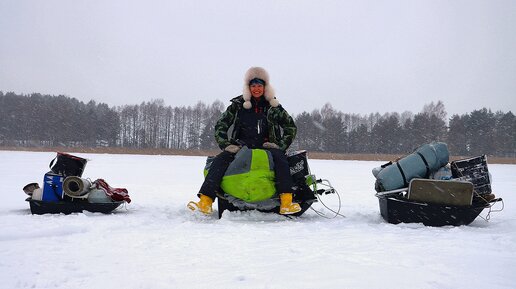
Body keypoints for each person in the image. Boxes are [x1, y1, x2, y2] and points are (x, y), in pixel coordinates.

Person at [187, 67, 300, 215]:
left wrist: (280, 145)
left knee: (281, 161)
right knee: (220, 161)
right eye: (253, 86)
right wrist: (226, 145)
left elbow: (290, 127)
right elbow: (221, 125)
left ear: (265, 87)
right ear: (248, 87)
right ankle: (205, 201)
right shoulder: (238, 105)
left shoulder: (274, 106)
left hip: (268, 146)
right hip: (242, 146)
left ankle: (286, 203)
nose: (256, 89)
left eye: (259, 85)